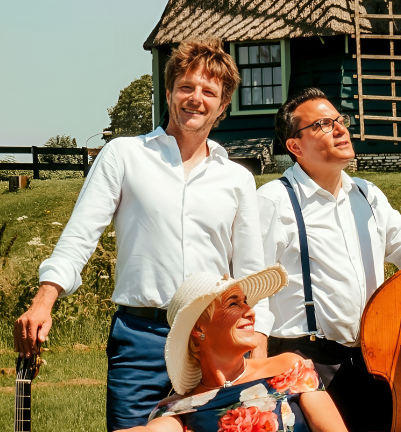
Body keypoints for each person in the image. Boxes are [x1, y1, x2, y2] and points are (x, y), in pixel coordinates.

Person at [13, 39, 273, 431]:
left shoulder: (237, 179)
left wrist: (256, 348)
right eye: (186, 86)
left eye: (209, 92)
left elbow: (252, 271)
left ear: (222, 107)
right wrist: (44, 299)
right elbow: (81, 234)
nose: (195, 98)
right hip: (140, 339)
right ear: (169, 92)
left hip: (214, 338)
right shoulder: (124, 155)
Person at [257, 87, 401, 431]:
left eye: (340, 120)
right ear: (295, 146)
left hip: (372, 358)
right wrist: (258, 365)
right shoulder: (274, 201)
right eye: (323, 124)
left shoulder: (367, 194)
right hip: (306, 359)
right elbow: (256, 291)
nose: (340, 129)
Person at [117, 266, 347, 432]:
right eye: (233, 303)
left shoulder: (289, 369)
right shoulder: (179, 409)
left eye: (246, 301)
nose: (250, 311)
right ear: (198, 328)